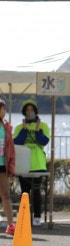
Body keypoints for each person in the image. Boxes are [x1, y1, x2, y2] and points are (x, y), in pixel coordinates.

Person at [13, 99, 50, 226]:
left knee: (36, 190)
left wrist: (38, 130)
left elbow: (44, 142)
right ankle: (24, 216)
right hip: (23, 163)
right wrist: (24, 130)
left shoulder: (43, 125)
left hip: (38, 163)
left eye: (32, 110)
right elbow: (17, 142)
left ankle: (37, 216)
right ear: (24, 112)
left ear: (35, 111)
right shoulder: (19, 127)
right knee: (24, 191)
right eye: (27, 110)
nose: (30, 112)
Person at [0, 99, 16, 236]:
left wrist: (11, 165)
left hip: (2, 165)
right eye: (2, 109)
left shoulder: (6, 127)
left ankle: (11, 225)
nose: (4, 112)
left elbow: (11, 148)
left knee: (6, 195)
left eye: (5, 109)